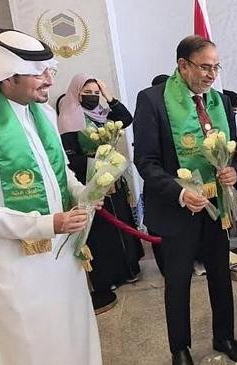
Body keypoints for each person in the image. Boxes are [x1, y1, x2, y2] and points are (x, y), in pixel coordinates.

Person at [133, 35, 237, 365]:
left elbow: (234, 152)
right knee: (178, 279)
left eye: (216, 67)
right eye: (205, 67)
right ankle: (180, 348)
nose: (212, 74)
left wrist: (232, 171)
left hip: (216, 208)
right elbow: (145, 161)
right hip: (177, 207)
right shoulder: (152, 100)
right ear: (183, 65)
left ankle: (224, 335)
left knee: (218, 271)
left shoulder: (219, 102)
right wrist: (180, 192)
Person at [0, 28, 101, 364]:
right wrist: (46, 223)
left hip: (62, 256)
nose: (49, 81)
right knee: (30, 345)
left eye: (50, 71)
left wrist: (86, 192)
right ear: (7, 77)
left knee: (71, 332)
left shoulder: (45, 114)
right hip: (14, 267)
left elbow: (60, 172)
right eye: (39, 74)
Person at [57, 73, 144, 314]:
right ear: (76, 93)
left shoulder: (103, 115)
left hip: (113, 179)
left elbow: (126, 119)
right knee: (103, 233)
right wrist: (98, 165)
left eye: (96, 93)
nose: (93, 97)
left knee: (122, 223)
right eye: (88, 93)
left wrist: (109, 96)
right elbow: (70, 157)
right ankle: (109, 276)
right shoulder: (69, 118)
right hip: (92, 182)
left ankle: (129, 269)